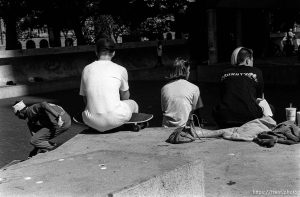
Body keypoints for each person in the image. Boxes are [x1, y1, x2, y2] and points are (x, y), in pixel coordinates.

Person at [79, 37, 139, 132]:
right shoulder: (120, 69)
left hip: (90, 120)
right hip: (115, 119)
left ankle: (99, 124)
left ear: (96, 52)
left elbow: (85, 99)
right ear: (114, 52)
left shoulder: (86, 69)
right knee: (133, 104)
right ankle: (131, 125)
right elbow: (125, 97)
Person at [213, 47, 273, 129]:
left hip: (224, 119)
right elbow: (259, 98)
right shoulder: (257, 72)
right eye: (252, 60)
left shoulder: (224, 73)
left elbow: (222, 96)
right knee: (271, 108)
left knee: (216, 108)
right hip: (250, 119)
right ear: (248, 60)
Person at [161, 57, 203, 127]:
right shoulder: (194, 88)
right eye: (189, 70)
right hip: (184, 127)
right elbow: (196, 111)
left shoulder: (164, 88)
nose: (189, 72)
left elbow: (164, 109)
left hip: (166, 126)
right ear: (185, 71)